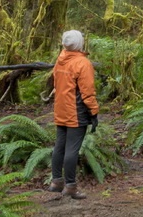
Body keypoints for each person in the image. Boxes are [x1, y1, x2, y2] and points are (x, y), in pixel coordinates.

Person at [47, 30, 99, 199]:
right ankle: (70, 186)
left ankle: (56, 182)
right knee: (72, 149)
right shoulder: (82, 63)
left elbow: (56, 83)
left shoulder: (61, 60)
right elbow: (87, 92)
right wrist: (94, 112)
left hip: (61, 108)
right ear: (79, 43)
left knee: (59, 146)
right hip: (76, 111)